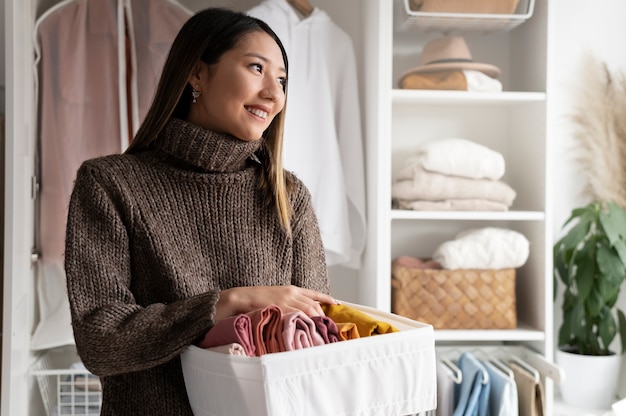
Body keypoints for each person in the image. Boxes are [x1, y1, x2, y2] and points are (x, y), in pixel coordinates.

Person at [64, 7, 336, 415]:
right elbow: (100, 341)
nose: (274, 93)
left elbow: (313, 344)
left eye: (281, 80)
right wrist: (225, 304)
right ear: (197, 74)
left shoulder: (287, 195)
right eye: (256, 68)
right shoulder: (109, 184)